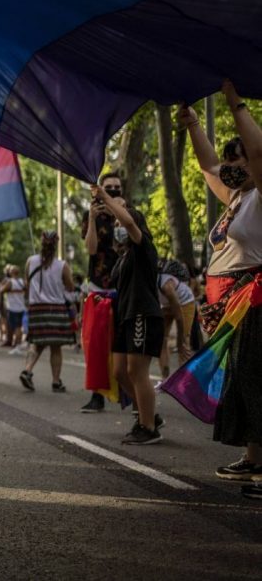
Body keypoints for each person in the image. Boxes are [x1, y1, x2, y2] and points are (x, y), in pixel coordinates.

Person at [180, 83, 262, 498]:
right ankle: (254, 457)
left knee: (255, 377)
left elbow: (260, 153)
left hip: (256, 301)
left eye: (239, 159)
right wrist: (193, 122)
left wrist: (235, 103)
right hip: (231, 304)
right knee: (244, 378)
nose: (230, 166)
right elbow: (207, 165)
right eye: (230, 160)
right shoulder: (237, 198)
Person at [92, 187, 163, 445]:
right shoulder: (123, 257)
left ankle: (148, 427)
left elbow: (129, 221)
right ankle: (149, 414)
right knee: (121, 371)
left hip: (143, 314)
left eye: (122, 220)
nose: (119, 226)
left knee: (137, 371)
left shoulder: (143, 246)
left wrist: (107, 199)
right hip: (127, 317)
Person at [80, 173, 125, 411]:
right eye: (109, 187)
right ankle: (97, 395)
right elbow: (91, 248)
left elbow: (125, 245)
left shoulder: (126, 214)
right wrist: (92, 218)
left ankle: (125, 393)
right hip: (98, 287)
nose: (114, 191)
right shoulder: (91, 216)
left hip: (122, 286)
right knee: (96, 343)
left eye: (117, 187)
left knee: (120, 344)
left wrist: (119, 212)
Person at [19, 231, 75, 393]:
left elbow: (27, 283)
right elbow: (70, 286)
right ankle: (56, 381)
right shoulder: (62, 265)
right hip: (55, 309)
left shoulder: (30, 261)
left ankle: (27, 370)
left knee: (37, 343)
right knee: (56, 347)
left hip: (36, 308)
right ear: (56, 245)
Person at [157, 261, 195, 379]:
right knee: (161, 340)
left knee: (184, 339)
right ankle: (165, 378)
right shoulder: (145, 284)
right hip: (167, 305)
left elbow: (179, 318)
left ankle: (185, 380)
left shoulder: (166, 285)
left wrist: (179, 344)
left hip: (184, 302)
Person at [1, 265, 27, 353]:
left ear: (11, 272)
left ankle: (18, 345)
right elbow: (27, 291)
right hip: (21, 307)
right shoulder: (22, 282)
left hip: (12, 308)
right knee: (18, 326)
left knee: (16, 327)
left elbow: (1, 290)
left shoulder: (10, 282)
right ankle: (17, 344)